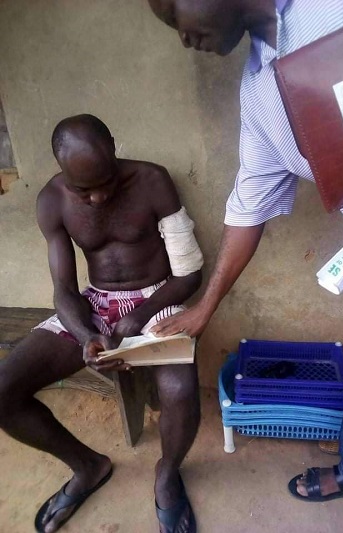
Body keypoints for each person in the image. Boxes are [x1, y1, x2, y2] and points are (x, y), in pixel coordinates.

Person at [147, 1, 343, 532]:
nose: (183, 38)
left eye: (174, 13)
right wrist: (204, 308)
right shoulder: (260, 91)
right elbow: (251, 203)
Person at [0, 114, 203, 533]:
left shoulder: (152, 180)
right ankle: (87, 466)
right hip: (93, 304)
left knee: (180, 390)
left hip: (157, 299)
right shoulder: (51, 200)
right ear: (61, 170)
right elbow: (63, 289)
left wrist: (138, 317)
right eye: (83, 190)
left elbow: (189, 274)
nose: (97, 197)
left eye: (106, 182)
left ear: (113, 145)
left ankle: (167, 473)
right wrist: (85, 335)